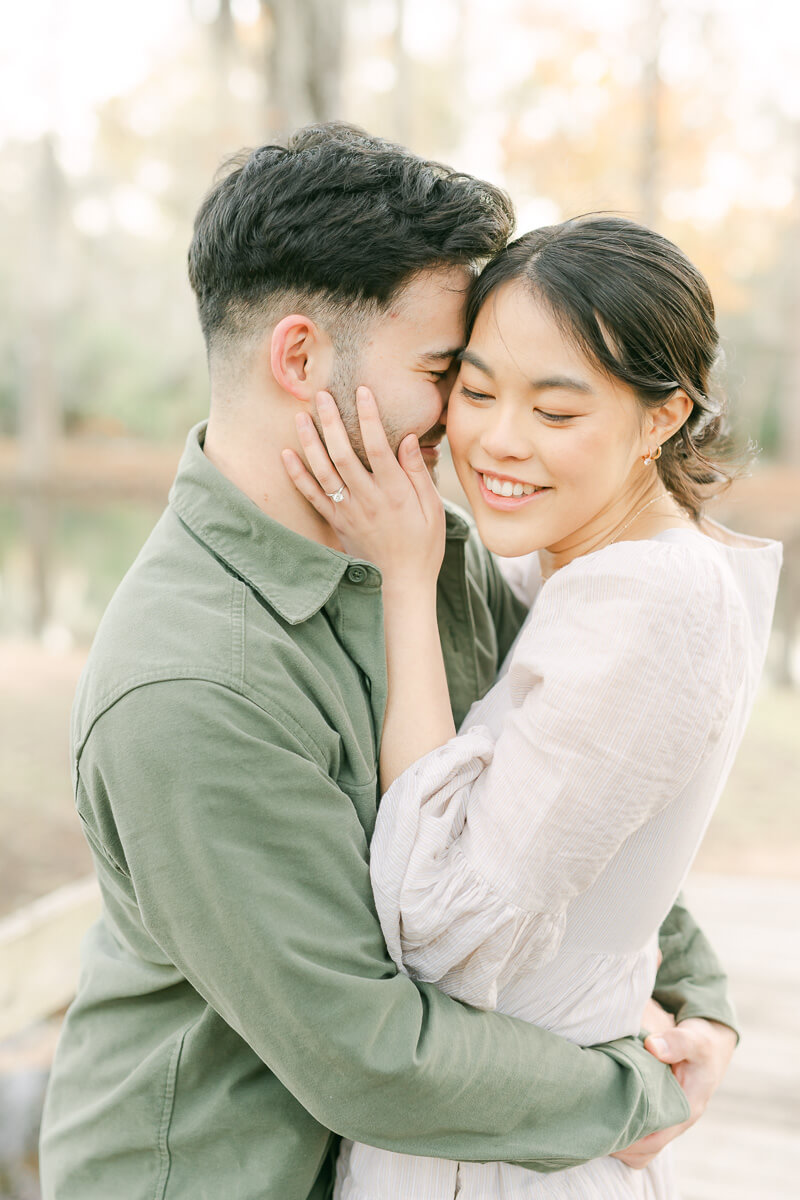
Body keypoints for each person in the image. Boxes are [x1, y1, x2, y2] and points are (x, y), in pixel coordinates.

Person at [40, 130, 738, 1200]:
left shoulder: (431, 550)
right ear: (302, 359)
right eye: (445, 375)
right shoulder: (188, 688)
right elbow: (358, 1052)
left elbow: (548, 803)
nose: (469, 426)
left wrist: (693, 998)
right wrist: (633, 1097)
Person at [283, 214, 782, 1198]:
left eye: (556, 413)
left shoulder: (648, 605)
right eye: (472, 391)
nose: (495, 441)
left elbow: (436, 926)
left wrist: (402, 579)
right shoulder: (585, 567)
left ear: (661, 418)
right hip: (500, 1129)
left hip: (508, 1156)